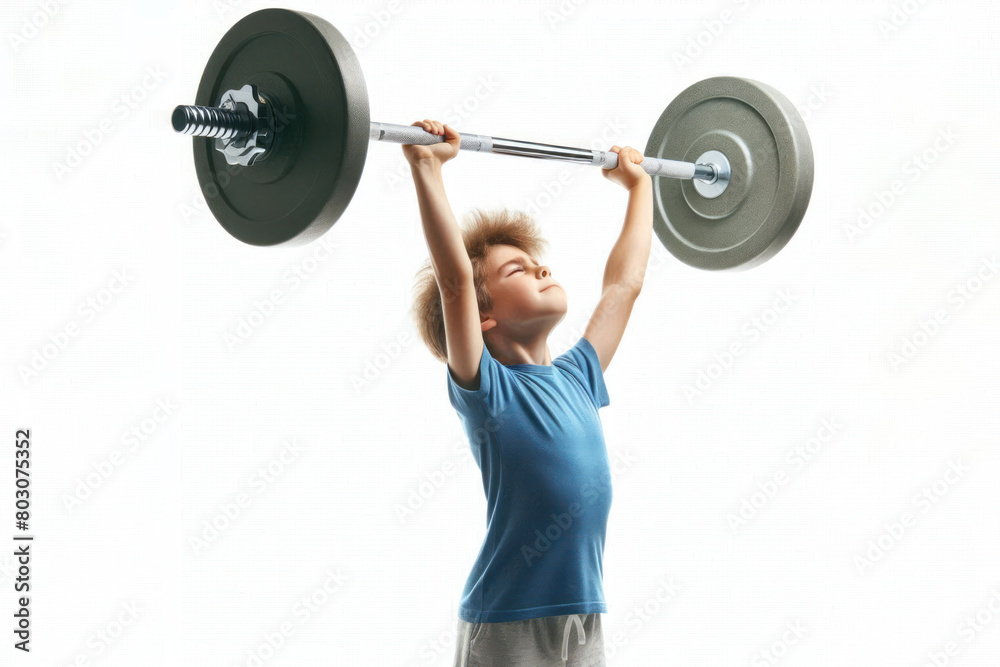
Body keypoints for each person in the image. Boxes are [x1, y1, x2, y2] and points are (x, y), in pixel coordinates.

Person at [404, 119, 652, 667]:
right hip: (508, 620)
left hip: (584, 613)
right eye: (517, 269)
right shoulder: (487, 390)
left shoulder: (579, 378)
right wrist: (427, 169)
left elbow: (624, 285)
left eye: (538, 262)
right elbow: (454, 281)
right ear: (483, 315)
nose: (541, 267)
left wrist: (640, 189)